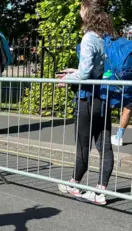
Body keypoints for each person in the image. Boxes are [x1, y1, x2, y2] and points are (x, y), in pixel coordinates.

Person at [57, 0, 115, 205]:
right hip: (104, 96)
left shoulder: (89, 37)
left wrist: (67, 79)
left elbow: (84, 75)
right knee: (104, 144)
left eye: (81, 8)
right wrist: (76, 72)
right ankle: (100, 191)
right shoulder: (108, 36)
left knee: (83, 145)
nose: (79, 11)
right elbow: (96, 69)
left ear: (87, 12)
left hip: (88, 98)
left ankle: (74, 184)